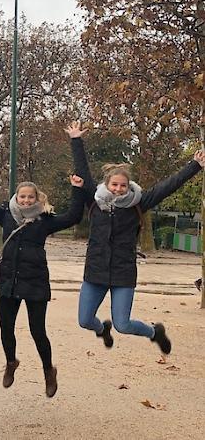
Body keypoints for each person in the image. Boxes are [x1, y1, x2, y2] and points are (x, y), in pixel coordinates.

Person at [66, 121, 205, 354]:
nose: (118, 189)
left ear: (128, 186)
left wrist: (195, 166)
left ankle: (154, 332)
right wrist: (76, 140)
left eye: (122, 185)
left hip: (123, 271)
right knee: (85, 320)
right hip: (96, 270)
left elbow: (167, 187)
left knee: (123, 324)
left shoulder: (138, 203)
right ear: (107, 184)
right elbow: (82, 171)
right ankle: (102, 329)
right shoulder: (94, 200)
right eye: (114, 185)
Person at [0, 161, 84, 398]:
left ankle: (48, 371)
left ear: (37, 198)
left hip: (35, 281)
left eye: (31, 197)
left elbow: (73, 216)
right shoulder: (6, 216)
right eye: (23, 197)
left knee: (37, 331)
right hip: (9, 280)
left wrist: (77, 189)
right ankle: (11, 362)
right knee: (6, 329)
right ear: (16, 198)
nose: (27, 201)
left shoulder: (45, 220)